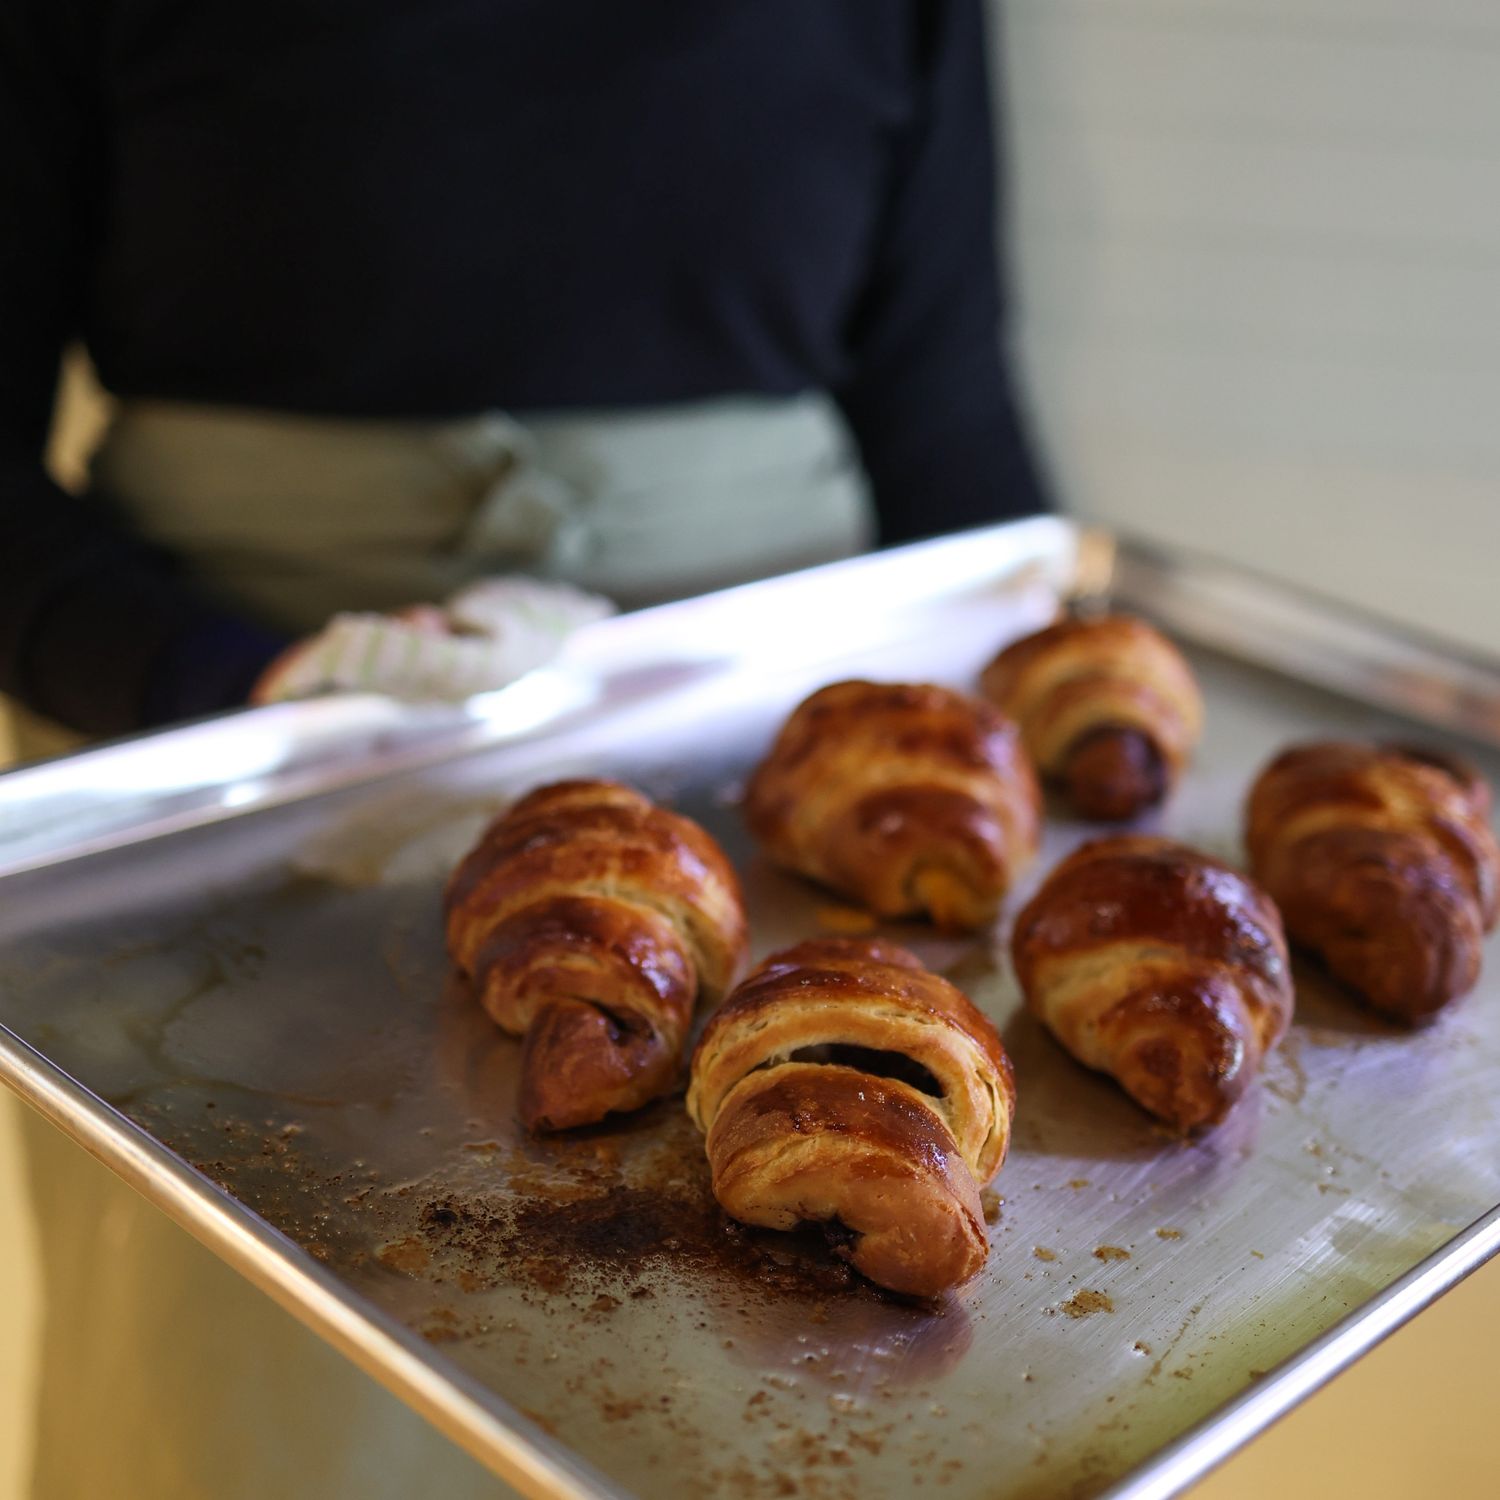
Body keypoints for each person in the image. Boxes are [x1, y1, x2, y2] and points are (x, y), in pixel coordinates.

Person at [0, 2, 1050, 1495]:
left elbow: (948, 421)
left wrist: (1005, 763)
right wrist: (235, 686)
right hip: (227, 796)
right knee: (239, 1415)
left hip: (789, 801)